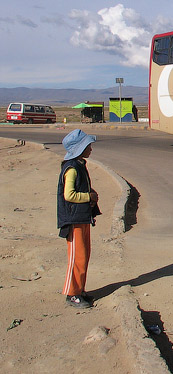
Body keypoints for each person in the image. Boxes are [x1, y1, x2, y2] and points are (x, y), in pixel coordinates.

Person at [57, 129, 101, 308]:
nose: (91, 148)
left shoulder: (80, 165)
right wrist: (88, 197)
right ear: (79, 148)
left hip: (82, 218)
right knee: (76, 257)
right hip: (74, 220)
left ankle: (80, 289)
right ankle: (72, 293)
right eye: (88, 146)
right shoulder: (72, 169)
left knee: (84, 256)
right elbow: (69, 195)